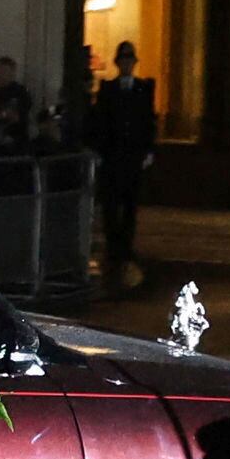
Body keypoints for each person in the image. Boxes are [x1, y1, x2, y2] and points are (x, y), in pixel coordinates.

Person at [90, 39, 159, 292]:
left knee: (130, 204)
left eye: (130, 61)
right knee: (111, 204)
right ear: (119, 64)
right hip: (113, 155)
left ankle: (125, 246)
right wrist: (99, 150)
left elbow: (148, 121)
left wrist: (149, 149)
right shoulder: (108, 89)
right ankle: (114, 246)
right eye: (124, 61)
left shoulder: (143, 88)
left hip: (132, 156)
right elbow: (100, 122)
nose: (127, 65)